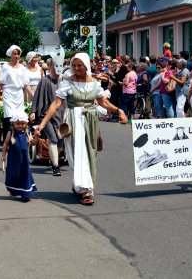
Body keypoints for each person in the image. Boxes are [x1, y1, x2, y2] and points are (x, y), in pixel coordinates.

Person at [36, 53, 127, 205]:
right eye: (74, 65)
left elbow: (103, 102)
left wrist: (119, 110)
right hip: (73, 120)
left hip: (90, 120)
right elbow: (56, 103)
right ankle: (86, 190)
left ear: (86, 65)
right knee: (77, 154)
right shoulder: (68, 82)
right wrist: (43, 123)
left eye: (80, 65)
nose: (77, 68)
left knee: (89, 153)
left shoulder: (95, 84)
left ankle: (80, 185)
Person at [30, 58, 65, 176]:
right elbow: (37, 96)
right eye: (56, 66)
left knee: (60, 140)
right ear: (52, 66)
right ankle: (55, 166)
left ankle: (55, 158)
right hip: (46, 114)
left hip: (61, 113)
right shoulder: (45, 80)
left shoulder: (64, 80)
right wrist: (33, 111)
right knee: (53, 139)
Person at [0, 45, 34, 142]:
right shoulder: (5, 67)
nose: (16, 56)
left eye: (18, 54)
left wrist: (33, 96)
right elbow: (1, 83)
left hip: (19, 94)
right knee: (9, 116)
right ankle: (8, 140)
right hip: (8, 93)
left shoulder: (22, 68)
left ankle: (17, 138)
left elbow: (26, 84)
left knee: (18, 117)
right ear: (11, 55)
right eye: (14, 54)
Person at [1, 111, 39, 202]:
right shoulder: (10, 133)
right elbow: (5, 144)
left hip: (24, 160)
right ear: (13, 124)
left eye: (22, 123)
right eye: (17, 123)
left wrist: (36, 137)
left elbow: (33, 143)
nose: (20, 125)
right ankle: (15, 190)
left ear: (26, 124)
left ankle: (25, 194)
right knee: (14, 175)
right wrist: (3, 155)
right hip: (13, 160)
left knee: (25, 175)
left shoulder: (27, 133)